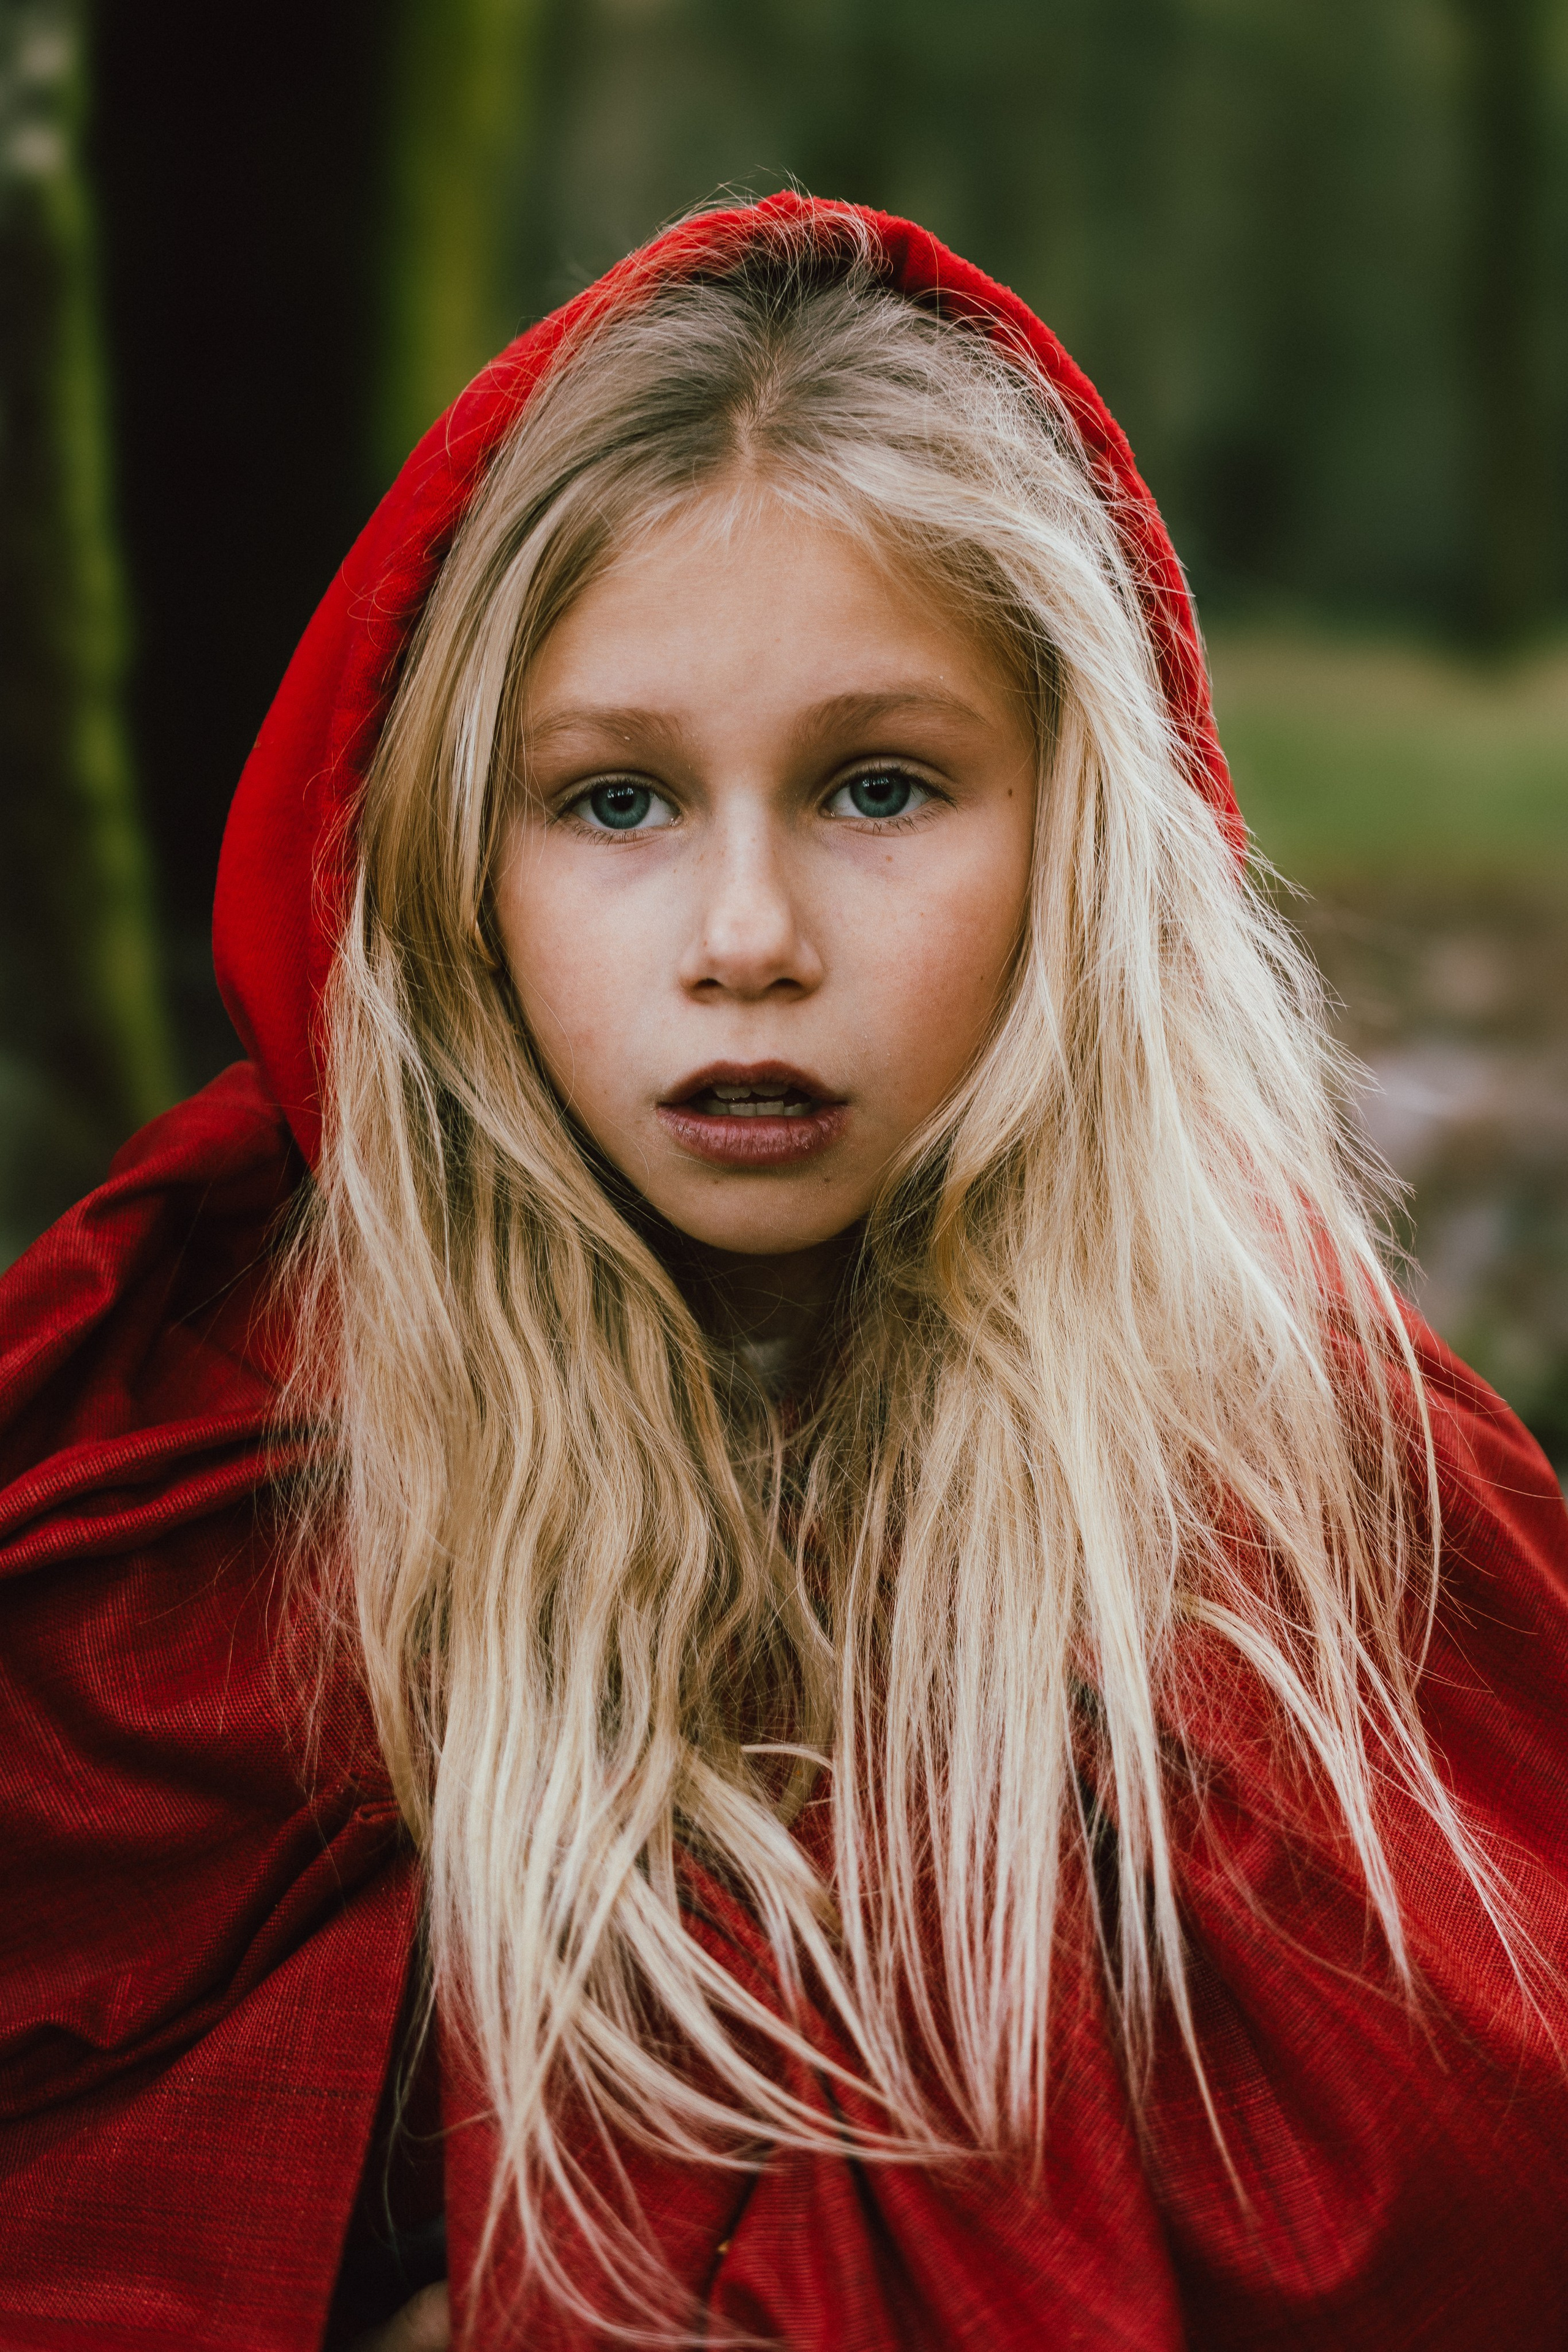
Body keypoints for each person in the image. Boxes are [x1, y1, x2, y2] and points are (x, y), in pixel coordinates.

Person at [1, 195, 1565, 2352]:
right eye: (618, 801)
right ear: (450, 859)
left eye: (880, 785)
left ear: (1080, 832)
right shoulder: (196, 1436)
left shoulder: (1306, 1488)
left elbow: (1453, 2166)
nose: (748, 935)